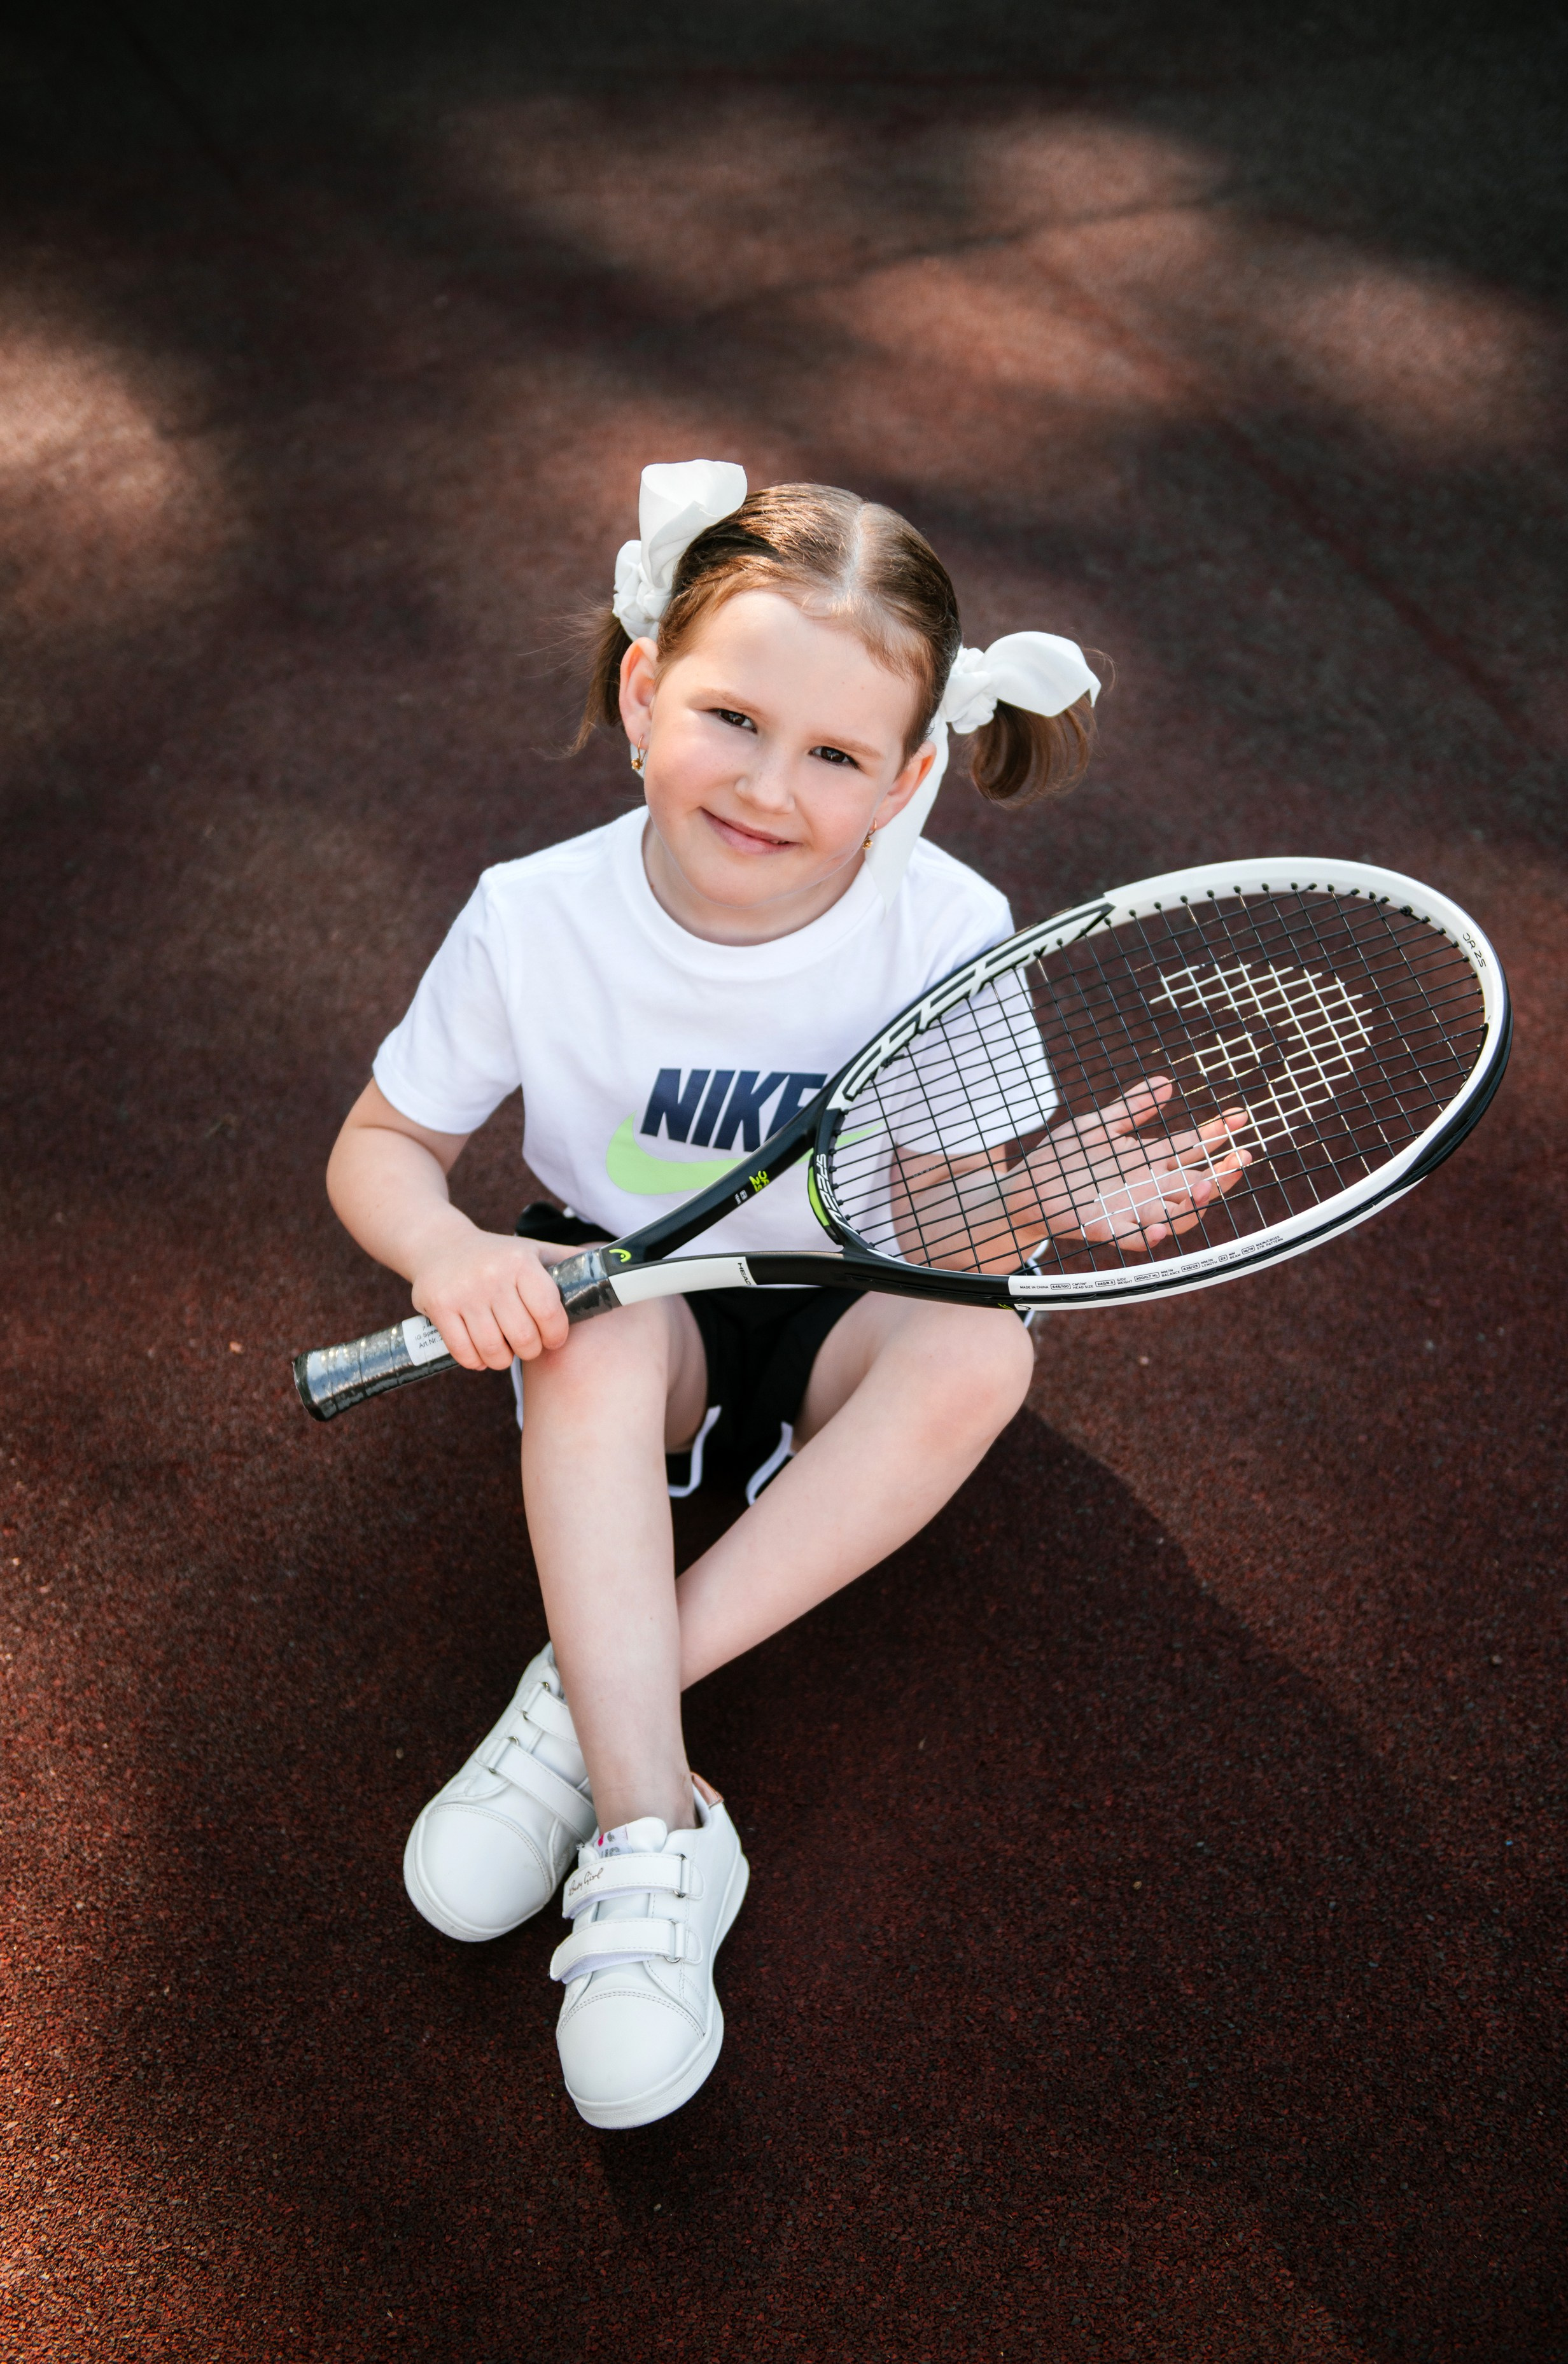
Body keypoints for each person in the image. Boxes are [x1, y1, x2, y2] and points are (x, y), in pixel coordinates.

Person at [324, 463, 1249, 2129]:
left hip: (851, 1300)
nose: (768, 784)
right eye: (732, 716)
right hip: (638, 1299)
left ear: (908, 781)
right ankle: (655, 1808)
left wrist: (1041, 1198)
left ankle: (608, 1728)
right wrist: (449, 1251)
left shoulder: (954, 926)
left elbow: (954, 1234)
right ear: (641, 689)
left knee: (983, 1349)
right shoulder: (535, 921)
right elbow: (383, 1144)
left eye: (834, 754)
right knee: (595, 1346)